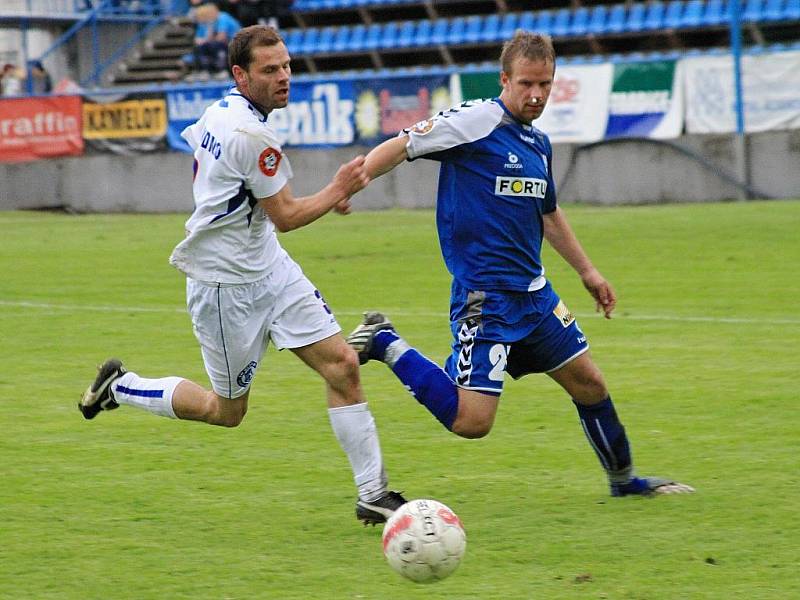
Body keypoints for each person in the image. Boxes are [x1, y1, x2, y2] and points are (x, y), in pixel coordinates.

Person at [79, 24, 406, 525]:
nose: (284, 77)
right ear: (240, 73)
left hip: (267, 265)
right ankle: (121, 387)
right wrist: (338, 189)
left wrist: (321, 198)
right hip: (223, 287)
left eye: (287, 66)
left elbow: (268, 208)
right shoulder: (252, 134)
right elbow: (289, 216)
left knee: (342, 365)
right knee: (226, 411)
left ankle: (373, 493)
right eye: (270, 69)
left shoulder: (224, 110)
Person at [346, 30, 694, 498]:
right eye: (527, 84)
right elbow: (404, 144)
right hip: (485, 298)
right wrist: (354, 180)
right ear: (504, 80)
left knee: (589, 383)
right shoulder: (473, 123)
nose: (536, 95)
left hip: (535, 298)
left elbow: (548, 213)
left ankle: (624, 483)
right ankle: (385, 340)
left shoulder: (538, 143)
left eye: (545, 85)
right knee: (473, 423)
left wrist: (588, 272)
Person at [192, 2, 241, 79]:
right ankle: (205, 71)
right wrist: (204, 40)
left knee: (215, 45)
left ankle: (222, 70)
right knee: (201, 47)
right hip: (218, 43)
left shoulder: (223, 17)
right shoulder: (207, 22)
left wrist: (205, 40)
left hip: (235, 43)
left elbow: (221, 37)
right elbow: (197, 39)